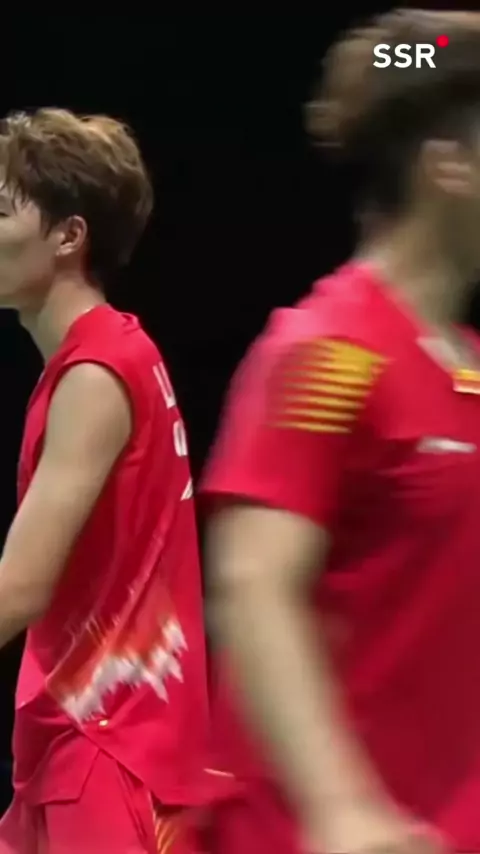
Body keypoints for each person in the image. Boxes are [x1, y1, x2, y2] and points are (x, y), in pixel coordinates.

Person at [200, 10, 480, 854]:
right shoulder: (331, 350)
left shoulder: (465, 363)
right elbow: (253, 580)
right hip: (321, 835)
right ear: (449, 164)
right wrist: (340, 809)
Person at [0, 108, 217, 853]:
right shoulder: (114, 354)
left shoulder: (95, 373)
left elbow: (18, 588)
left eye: (1, 211)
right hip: (77, 733)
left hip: (106, 742)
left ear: (69, 235)